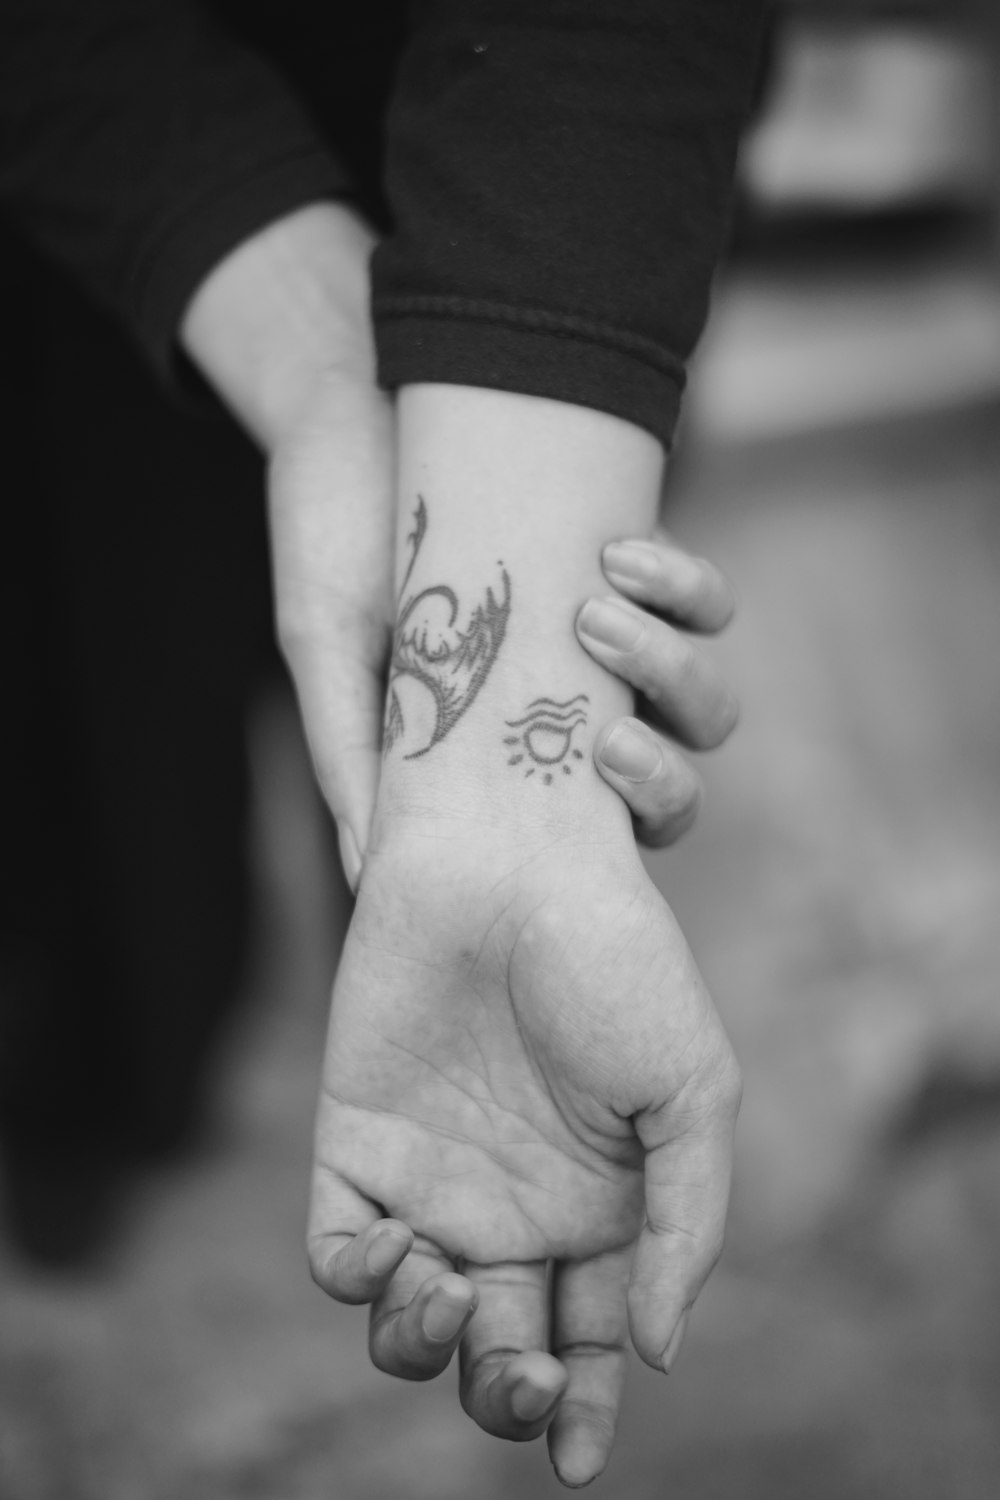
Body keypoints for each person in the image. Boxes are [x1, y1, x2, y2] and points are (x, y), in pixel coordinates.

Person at [0, 0, 764, 1486]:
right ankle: (98, 1087)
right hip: (68, 211)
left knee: (428, 824)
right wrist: (282, 312)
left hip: (554, 221)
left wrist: (514, 823)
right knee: (94, 768)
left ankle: (399, 976)